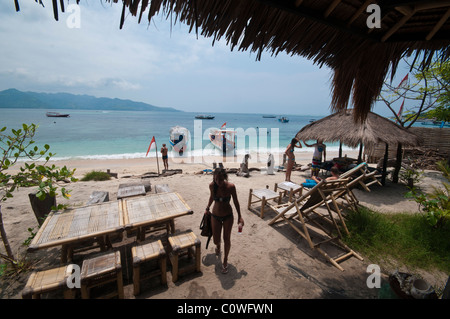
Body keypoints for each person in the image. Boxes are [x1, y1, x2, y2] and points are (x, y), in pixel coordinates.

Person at [204, 168, 244, 274]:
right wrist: (207, 208)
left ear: (225, 178)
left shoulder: (231, 187)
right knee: (216, 240)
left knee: (227, 239)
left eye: (221, 179)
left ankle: (225, 260)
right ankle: (218, 246)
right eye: (216, 179)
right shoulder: (212, 186)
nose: (218, 182)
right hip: (215, 216)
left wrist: (240, 216)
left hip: (228, 216)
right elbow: (211, 197)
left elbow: (236, 202)